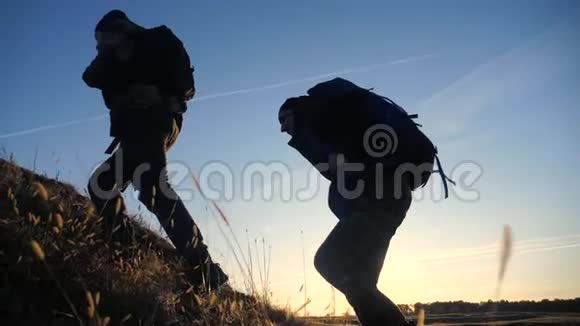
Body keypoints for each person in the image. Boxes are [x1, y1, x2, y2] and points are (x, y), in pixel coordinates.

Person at [83, 10, 227, 291]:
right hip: (133, 130)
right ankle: (123, 250)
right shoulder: (111, 61)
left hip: (156, 120)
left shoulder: (158, 40)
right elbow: (89, 77)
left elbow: (187, 86)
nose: (100, 48)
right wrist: (114, 54)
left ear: (122, 29)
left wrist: (158, 94)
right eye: (98, 45)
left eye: (104, 41)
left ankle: (205, 270)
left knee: (153, 188)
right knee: (102, 184)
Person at [279, 78, 437, 325]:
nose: (282, 128)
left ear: (296, 111)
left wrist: (346, 163)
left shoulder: (319, 119)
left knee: (328, 262)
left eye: (283, 118)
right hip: (393, 196)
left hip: (381, 194)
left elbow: (352, 155)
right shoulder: (322, 123)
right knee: (359, 282)